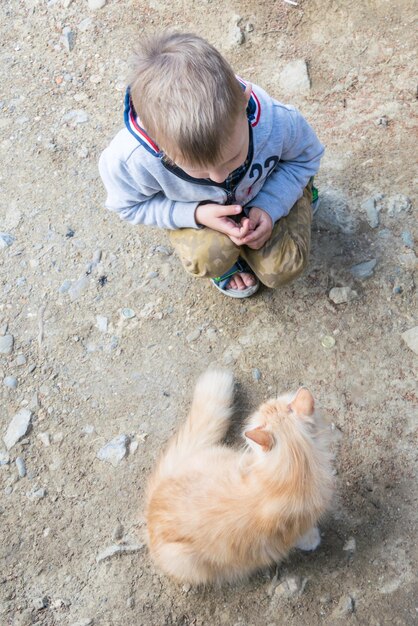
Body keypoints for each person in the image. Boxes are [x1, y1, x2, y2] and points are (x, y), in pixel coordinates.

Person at [99, 31, 324, 298]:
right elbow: (129, 206)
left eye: (231, 158)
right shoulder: (131, 160)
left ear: (244, 103)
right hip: (198, 216)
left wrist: (271, 205)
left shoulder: (277, 121)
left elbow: (305, 157)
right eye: (196, 169)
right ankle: (229, 261)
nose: (218, 178)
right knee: (205, 258)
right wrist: (195, 214)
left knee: (283, 267)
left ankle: (300, 198)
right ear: (156, 143)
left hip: (266, 192)